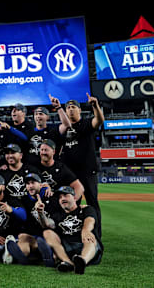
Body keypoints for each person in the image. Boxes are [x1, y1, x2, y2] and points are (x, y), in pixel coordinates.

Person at [53, 94, 104, 237]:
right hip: (70, 175)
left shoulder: (86, 124)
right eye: (68, 107)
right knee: (70, 205)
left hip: (87, 171)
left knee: (92, 203)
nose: (70, 110)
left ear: (79, 110)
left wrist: (95, 106)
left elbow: (99, 121)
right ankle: (73, 234)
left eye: (73, 107)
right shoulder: (63, 129)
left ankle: (96, 235)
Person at [39, 186, 103, 274]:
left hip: (86, 247)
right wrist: (41, 213)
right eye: (60, 197)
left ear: (75, 197)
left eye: (65, 195)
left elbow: (90, 220)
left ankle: (82, 261)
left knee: (89, 238)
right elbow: (47, 224)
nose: (62, 199)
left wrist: (86, 230)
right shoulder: (57, 215)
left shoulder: (86, 209)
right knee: (47, 232)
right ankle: (68, 262)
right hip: (68, 249)